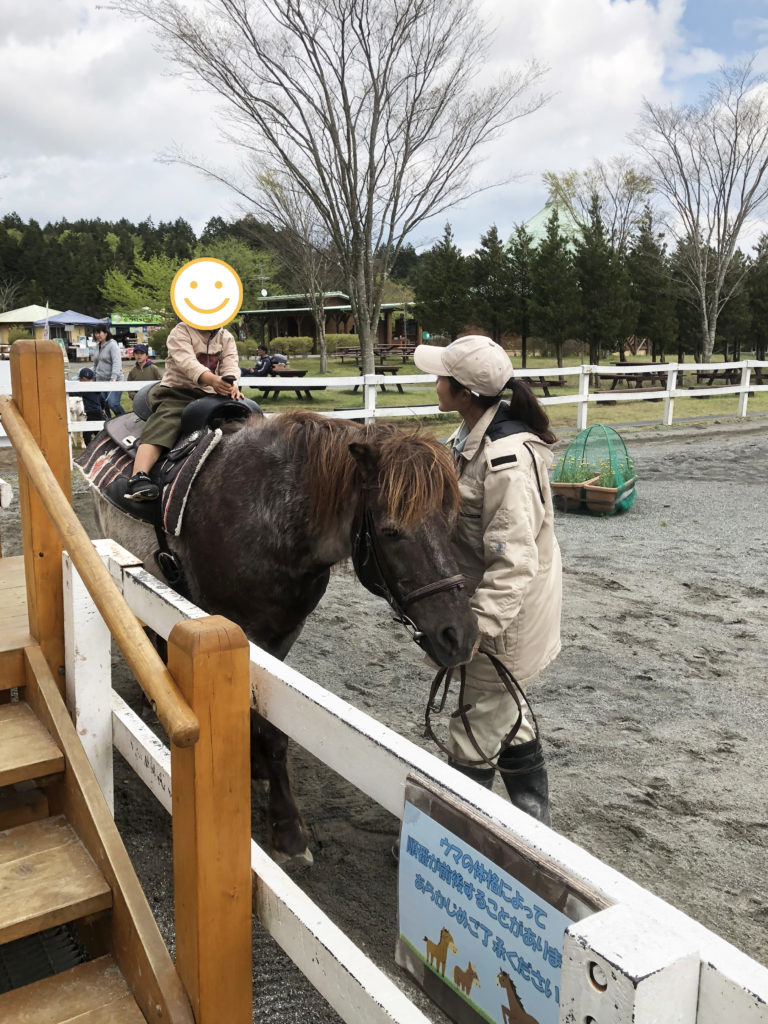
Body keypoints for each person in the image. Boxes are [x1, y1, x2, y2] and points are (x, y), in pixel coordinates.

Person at [413, 335, 562, 824]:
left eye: (441, 378)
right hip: (498, 605)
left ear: (464, 392)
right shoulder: (471, 435)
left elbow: (513, 561)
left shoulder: (506, 460)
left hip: (505, 616)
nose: (435, 383)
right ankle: (532, 814)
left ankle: (452, 838)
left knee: (473, 730)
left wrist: (476, 627)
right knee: (505, 711)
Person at [124, 321, 243, 502]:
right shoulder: (180, 332)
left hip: (214, 394)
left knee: (247, 418)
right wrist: (212, 379)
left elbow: (231, 363)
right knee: (166, 421)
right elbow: (187, 362)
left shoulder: (225, 336)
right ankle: (139, 475)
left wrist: (232, 384)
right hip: (179, 391)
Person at [92, 325, 125, 417]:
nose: (97, 335)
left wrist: (113, 377)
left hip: (114, 380)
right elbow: (95, 364)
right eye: (95, 333)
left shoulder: (112, 345)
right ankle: (108, 426)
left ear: (105, 333)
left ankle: (124, 420)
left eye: (99, 332)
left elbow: (117, 361)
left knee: (113, 403)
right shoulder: (96, 347)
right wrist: (94, 378)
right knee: (103, 406)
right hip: (100, 381)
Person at [73, 367, 106, 444]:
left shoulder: (81, 390)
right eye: (82, 380)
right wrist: (103, 408)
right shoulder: (96, 390)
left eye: (84, 380)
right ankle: (100, 445)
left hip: (89, 413)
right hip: (97, 412)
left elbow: (72, 393)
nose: (83, 382)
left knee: (87, 434)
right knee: (98, 432)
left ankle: (90, 448)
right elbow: (102, 399)